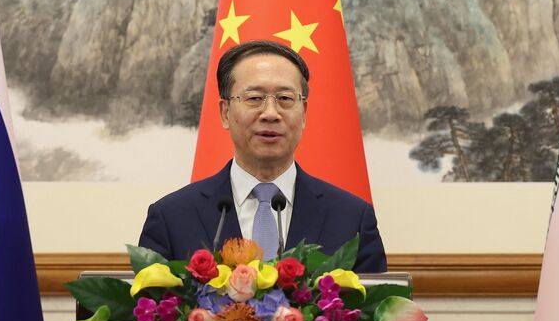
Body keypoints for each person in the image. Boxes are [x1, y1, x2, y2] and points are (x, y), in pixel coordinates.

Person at [139, 40, 385, 271]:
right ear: (225, 112)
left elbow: (375, 314)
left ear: (304, 113)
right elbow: (150, 312)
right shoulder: (171, 218)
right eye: (254, 98)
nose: (270, 113)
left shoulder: (352, 220)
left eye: (285, 99)